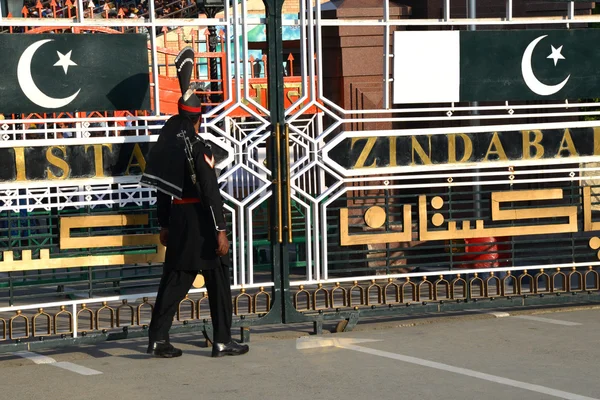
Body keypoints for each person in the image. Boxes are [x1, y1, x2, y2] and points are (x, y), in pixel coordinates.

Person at [140, 47, 248, 358]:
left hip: (178, 220)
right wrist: (221, 229)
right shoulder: (199, 147)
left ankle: (158, 338)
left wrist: (163, 222)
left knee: (174, 281)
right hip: (201, 223)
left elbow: (161, 187)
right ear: (199, 119)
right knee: (217, 281)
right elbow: (210, 191)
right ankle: (223, 340)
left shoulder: (168, 146)